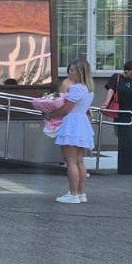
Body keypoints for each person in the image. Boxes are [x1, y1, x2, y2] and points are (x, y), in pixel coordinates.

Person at [49, 60, 95, 204]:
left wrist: (50, 114)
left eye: (72, 70)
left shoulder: (75, 88)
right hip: (82, 123)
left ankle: (73, 194)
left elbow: (66, 109)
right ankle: (80, 193)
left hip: (72, 123)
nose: (70, 73)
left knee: (71, 162)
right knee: (79, 161)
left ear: (80, 72)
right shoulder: (88, 89)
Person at [105, 59, 132, 175]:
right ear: (126, 70)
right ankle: (124, 168)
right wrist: (106, 103)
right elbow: (111, 90)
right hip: (122, 113)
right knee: (127, 139)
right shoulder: (116, 77)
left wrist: (131, 98)